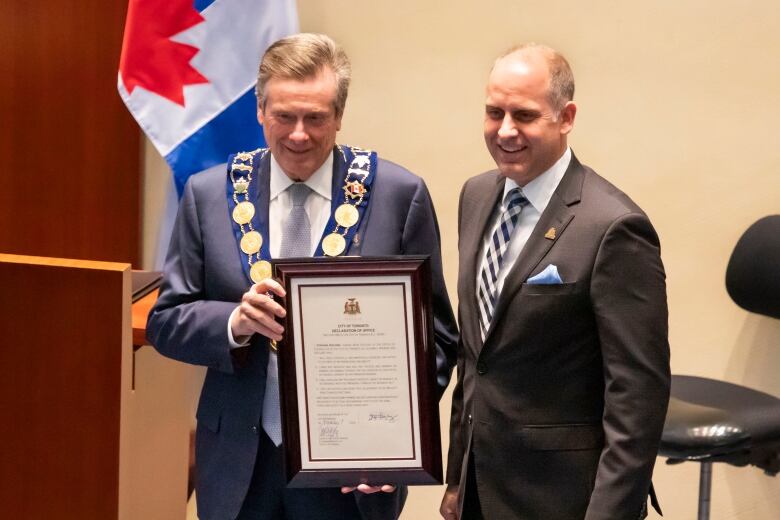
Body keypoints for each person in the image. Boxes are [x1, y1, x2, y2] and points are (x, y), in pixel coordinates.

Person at [147, 33, 457, 520]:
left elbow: (436, 340)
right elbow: (167, 321)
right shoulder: (208, 196)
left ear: (339, 115)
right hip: (238, 461)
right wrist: (234, 322)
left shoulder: (399, 196)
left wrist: (394, 440)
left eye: (315, 118)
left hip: (352, 474)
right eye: (284, 116)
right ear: (259, 110)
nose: (298, 134)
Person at [440, 44, 670, 520]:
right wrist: (457, 479)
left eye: (523, 115)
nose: (505, 131)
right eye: (493, 112)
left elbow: (637, 399)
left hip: (564, 499)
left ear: (566, 117)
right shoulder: (477, 195)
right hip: (482, 487)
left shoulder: (613, 227)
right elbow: (475, 355)